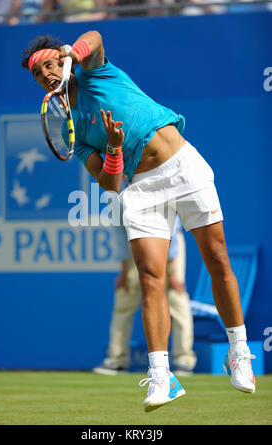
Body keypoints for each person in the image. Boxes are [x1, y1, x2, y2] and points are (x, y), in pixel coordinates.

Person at [22, 31, 256, 411]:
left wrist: (72, 52)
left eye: (50, 64)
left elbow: (94, 38)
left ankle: (239, 352)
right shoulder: (74, 128)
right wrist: (113, 147)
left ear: (62, 61)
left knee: (217, 259)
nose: (47, 74)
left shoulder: (93, 72)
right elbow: (110, 183)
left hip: (184, 166)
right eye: (38, 73)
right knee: (150, 279)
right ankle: (163, 376)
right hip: (140, 188)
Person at [93, 215, 197, 376]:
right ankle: (117, 359)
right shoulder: (117, 199)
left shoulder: (159, 190)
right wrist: (124, 270)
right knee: (125, 298)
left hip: (169, 245)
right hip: (135, 244)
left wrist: (171, 271)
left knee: (176, 299)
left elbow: (173, 231)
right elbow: (121, 234)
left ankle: (184, 360)